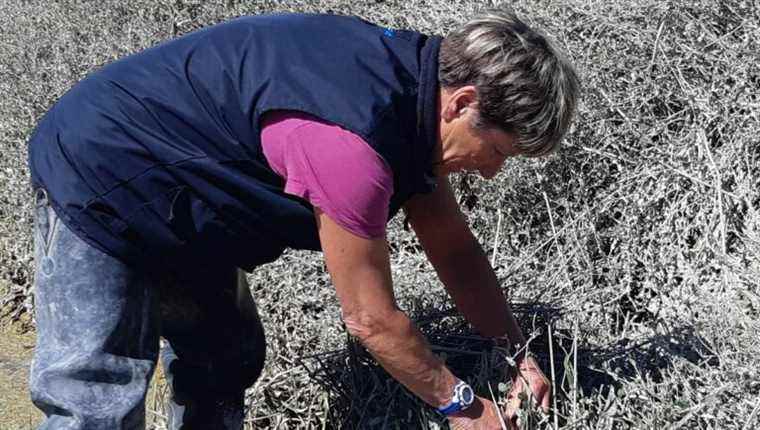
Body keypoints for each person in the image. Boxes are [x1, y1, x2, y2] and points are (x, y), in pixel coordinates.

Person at [26, 7, 579, 430]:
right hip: (101, 171)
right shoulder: (353, 146)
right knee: (96, 392)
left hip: (192, 198)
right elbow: (370, 320)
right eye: (499, 152)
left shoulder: (414, 102)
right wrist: (463, 407)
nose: (490, 174)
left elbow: (453, 249)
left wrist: (515, 355)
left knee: (224, 356)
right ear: (461, 104)